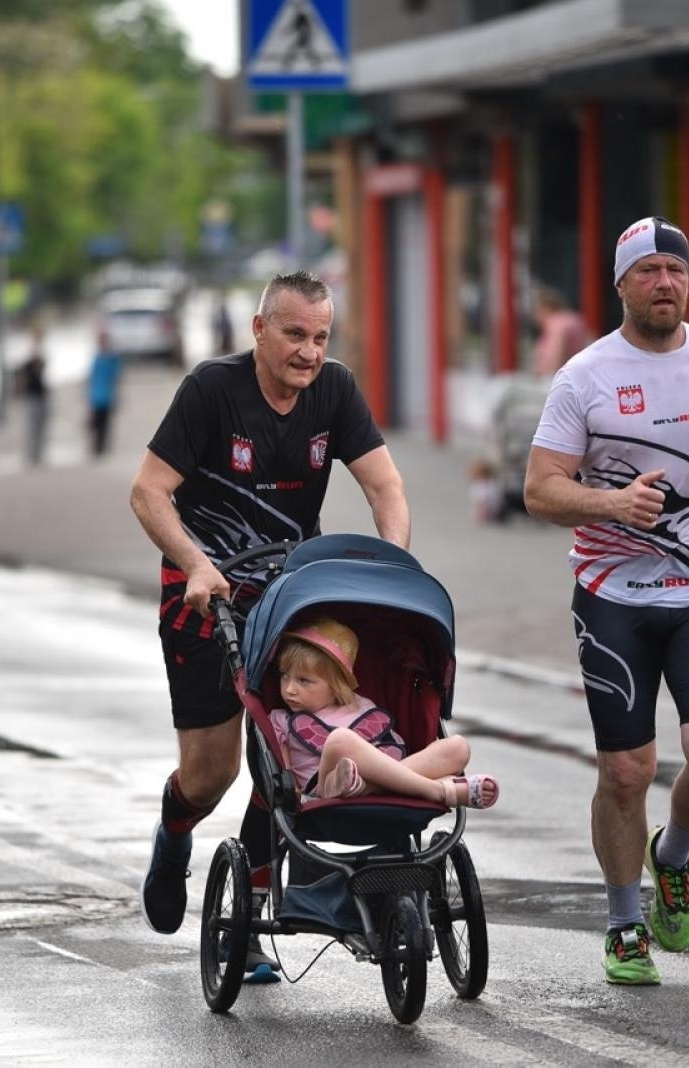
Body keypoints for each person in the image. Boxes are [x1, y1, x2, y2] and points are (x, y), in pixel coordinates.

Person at [523, 216, 689, 986]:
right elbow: (539, 489)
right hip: (613, 596)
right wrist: (613, 507)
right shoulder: (585, 375)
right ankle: (622, 921)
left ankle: (670, 856)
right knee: (625, 771)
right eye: (648, 271)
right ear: (621, 285)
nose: (665, 282)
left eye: (675, 269)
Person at [128, 270, 410, 975]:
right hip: (203, 596)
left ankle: (246, 922)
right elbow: (148, 491)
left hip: (286, 598)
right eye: (294, 334)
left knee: (287, 759)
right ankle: (173, 836)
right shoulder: (210, 391)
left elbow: (385, 487)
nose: (309, 352)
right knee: (211, 773)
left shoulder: (335, 390)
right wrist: (196, 563)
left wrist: (393, 561)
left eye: (320, 337)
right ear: (258, 330)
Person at [269, 617, 499, 807]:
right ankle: (438, 790)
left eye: (304, 681)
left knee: (457, 746)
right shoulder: (281, 718)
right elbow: (287, 773)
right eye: (284, 676)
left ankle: (374, 788)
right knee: (340, 740)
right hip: (324, 786)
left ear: (336, 684)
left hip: (373, 778)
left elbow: (391, 744)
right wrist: (293, 793)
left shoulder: (361, 707)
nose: (289, 689)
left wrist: (381, 774)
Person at [532, 285, 591, 377]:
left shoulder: (555, 323)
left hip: (557, 378)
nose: (535, 317)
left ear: (546, 308)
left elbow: (557, 354)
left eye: (537, 311)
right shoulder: (575, 319)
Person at [13, 324, 50, 466]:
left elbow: (42, 370)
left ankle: (39, 454)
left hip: (41, 393)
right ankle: (31, 455)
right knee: (32, 427)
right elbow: (24, 373)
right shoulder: (27, 352)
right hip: (31, 395)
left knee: (41, 426)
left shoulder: (42, 352)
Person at [87, 338, 122, 458]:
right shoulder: (102, 360)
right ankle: (98, 449)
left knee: (103, 425)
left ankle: (100, 449)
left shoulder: (109, 360)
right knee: (99, 425)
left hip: (105, 397)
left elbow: (116, 379)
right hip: (99, 397)